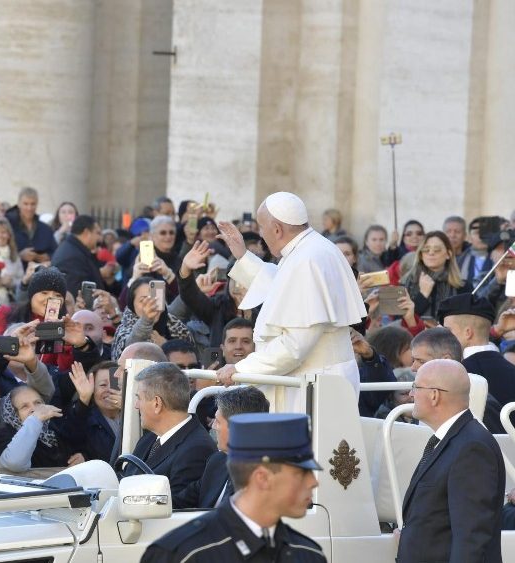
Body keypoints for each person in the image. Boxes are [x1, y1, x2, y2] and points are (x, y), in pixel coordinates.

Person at [215, 192, 367, 410]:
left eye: (262, 227)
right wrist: (243, 256)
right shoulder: (310, 249)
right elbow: (280, 287)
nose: (260, 234)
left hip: (316, 385)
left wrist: (242, 369)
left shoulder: (308, 259)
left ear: (277, 229)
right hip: (314, 380)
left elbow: (295, 345)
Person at [141, 412, 326, 563]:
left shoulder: (308, 554)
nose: (313, 482)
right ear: (262, 478)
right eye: (301, 473)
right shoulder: (181, 554)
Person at [397, 359, 504, 562]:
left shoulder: (472, 447)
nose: (411, 394)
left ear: (434, 395)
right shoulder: (454, 440)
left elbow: (471, 538)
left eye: (415, 387)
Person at [123, 362, 216, 507]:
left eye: (139, 398)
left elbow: (174, 507)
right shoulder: (149, 438)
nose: (136, 405)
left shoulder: (196, 450)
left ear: (156, 404)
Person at [176, 386, 271, 509]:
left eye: (218, 421)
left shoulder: (265, 476)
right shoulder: (217, 461)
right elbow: (181, 501)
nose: (214, 426)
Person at [439, 293, 515, 427]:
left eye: (447, 331)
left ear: (468, 332)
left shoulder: (458, 375)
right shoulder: (511, 370)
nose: (443, 337)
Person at [400, 231, 471, 321]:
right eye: (426, 250)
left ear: (448, 254)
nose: (431, 253)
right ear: (421, 255)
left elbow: (466, 320)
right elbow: (401, 321)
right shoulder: (407, 283)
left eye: (437, 250)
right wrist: (423, 295)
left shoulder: (462, 286)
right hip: (415, 334)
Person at [51, 215, 107, 292]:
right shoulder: (72, 257)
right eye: (97, 233)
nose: (99, 238)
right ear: (86, 233)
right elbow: (77, 293)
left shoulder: (77, 251)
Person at [5, 187, 57, 265]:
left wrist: (48, 256)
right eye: (25, 204)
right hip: (14, 275)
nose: (29, 208)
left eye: (33, 204)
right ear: (19, 204)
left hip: (41, 274)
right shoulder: (7, 225)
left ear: (37, 204)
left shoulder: (46, 229)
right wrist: (19, 256)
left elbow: (56, 253)